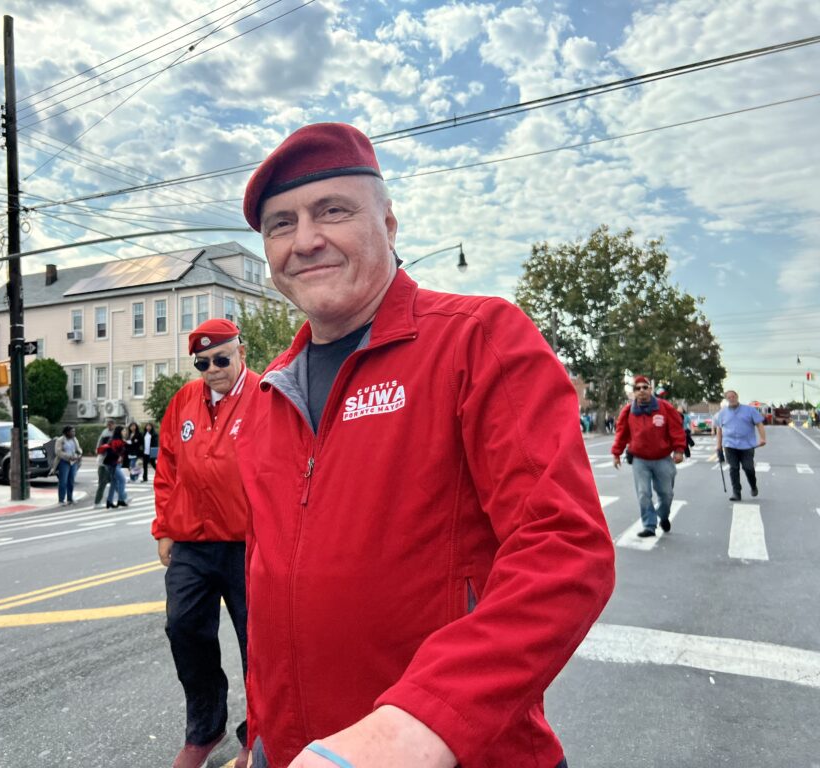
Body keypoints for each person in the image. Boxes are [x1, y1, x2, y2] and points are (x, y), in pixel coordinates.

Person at [235, 123, 615, 768]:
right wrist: (262, 739)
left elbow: (564, 546)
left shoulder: (479, 339)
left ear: (388, 222)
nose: (305, 240)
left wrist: (421, 721)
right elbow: (273, 595)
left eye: (333, 211)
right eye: (280, 224)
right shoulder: (268, 396)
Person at [153, 318, 260, 768]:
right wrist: (165, 527)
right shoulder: (184, 401)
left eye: (221, 358)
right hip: (192, 543)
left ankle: (257, 734)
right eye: (203, 363)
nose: (213, 370)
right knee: (183, 629)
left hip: (248, 544)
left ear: (241, 352)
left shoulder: (265, 395)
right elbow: (168, 466)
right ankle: (205, 728)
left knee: (258, 644)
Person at [611, 375, 686, 537]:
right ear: (634, 393)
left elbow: (676, 429)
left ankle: (663, 516)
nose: (642, 391)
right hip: (640, 460)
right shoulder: (628, 411)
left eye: (645, 387)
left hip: (663, 459)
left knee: (666, 494)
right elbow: (621, 433)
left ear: (650, 389)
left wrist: (679, 450)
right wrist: (616, 453)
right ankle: (649, 525)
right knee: (644, 493)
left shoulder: (664, 407)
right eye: (638, 388)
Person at [714, 390, 766, 501]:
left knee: (748, 468)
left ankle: (753, 486)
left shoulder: (749, 410)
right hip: (730, 445)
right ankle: (736, 492)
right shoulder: (722, 413)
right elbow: (719, 429)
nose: (731, 398)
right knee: (733, 468)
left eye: (733, 396)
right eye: (729, 397)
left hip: (747, 445)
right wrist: (718, 445)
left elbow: (759, 424)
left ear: (737, 397)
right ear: (726, 399)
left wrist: (762, 438)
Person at [96, 425, 128, 509]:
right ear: (119, 432)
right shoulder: (115, 441)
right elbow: (113, 452)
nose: (125, 432)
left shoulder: (117, 440)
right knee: (122, 480)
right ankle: (121, 499)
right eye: (123, 431)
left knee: (114, 482)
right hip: (113, 464)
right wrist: (119, 456)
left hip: (113, 464)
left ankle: (109, 501)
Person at [52, 425, 83, 505]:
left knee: (71, 481)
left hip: (74, 462)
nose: (73, 433)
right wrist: (68, 456)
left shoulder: (74, 439)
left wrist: (79, 454)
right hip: (64, 461)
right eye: (72, 431)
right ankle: (61, 500)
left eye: (74, 431)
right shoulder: (60, 440)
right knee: (63, 481)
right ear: (67, 432)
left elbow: (78, 449)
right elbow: (58, 452)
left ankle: (70, 498)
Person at [93, 417, 116, 507]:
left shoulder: (114, 433)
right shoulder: (105, 433)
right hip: (103, 462)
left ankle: (122, 496)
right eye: (108, 424)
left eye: (111, 424)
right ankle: (97, 502)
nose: (109, 425)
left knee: (115, 480)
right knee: (103, 482)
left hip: (110, 461)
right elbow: (99, 446)